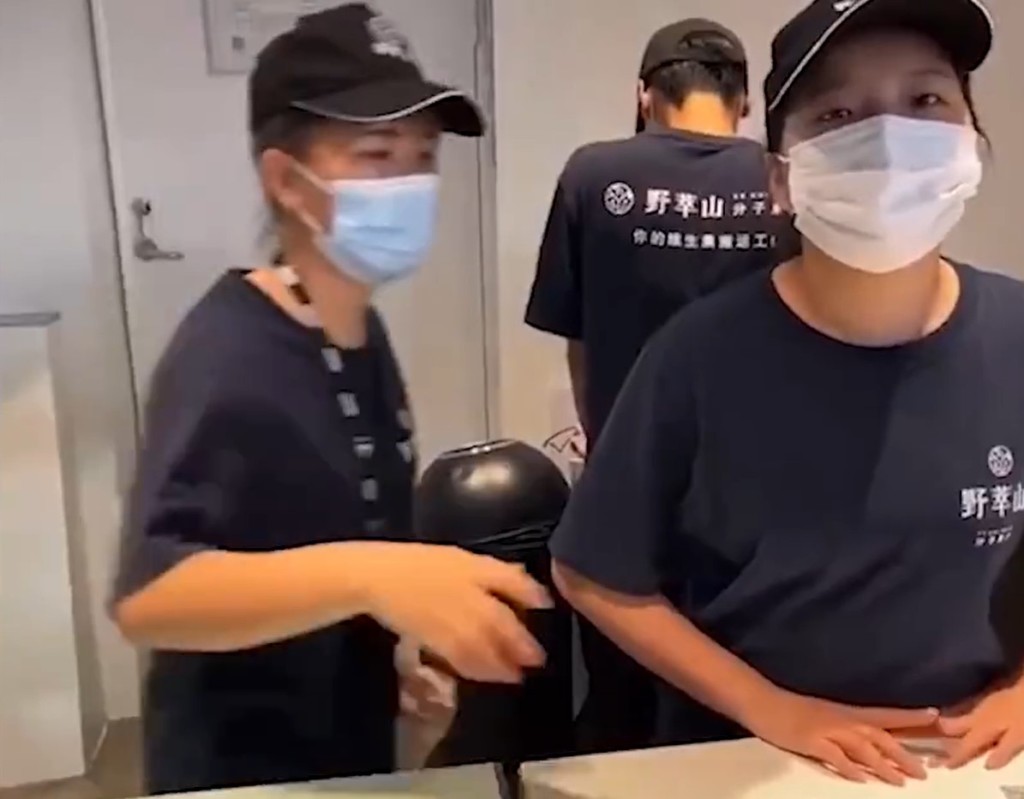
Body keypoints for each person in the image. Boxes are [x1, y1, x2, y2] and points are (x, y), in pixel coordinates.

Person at [551, 0, 1024, 787]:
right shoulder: (699, 356)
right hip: (759, 762)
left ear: (972, 141)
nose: (890, 139)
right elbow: (591, 571)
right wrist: (772, 707)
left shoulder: (1015, 331)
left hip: (971, 763)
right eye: (839, 114)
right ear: (780, 178)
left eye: (926, 99)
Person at [110, 4, 549, 793]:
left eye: (423, 157)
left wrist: (389, 668)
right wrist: (376, 575)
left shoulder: (359, 332)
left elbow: (329, 543)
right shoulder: (229, 352)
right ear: (287, 180)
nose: (410, 183)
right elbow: (151, 594)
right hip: (238, 773)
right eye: (377, 155)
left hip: (344, 757)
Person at [523, 19, 794, 755]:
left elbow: (578, 337)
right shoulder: (782, 180)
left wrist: (602, 444)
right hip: (765, 506)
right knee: (746, 715)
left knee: (623, 707)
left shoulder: (592, 175)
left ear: (644, 95)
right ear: (743, 103)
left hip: (629, 492)